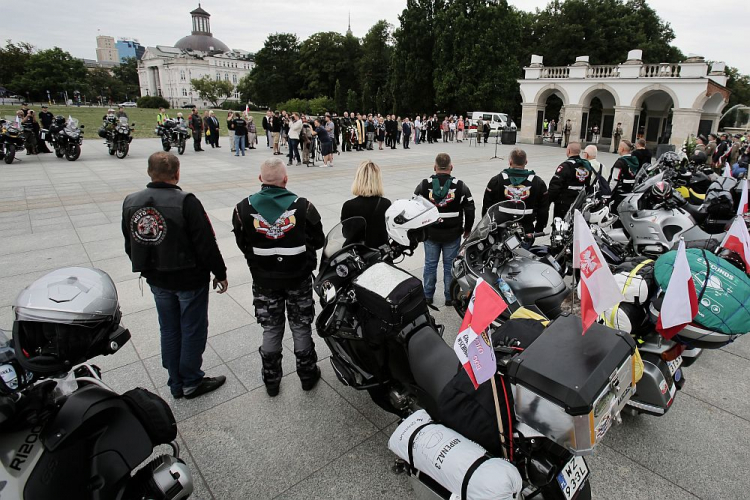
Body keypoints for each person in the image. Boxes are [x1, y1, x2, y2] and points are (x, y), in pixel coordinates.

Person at [122, 152, 228, 400]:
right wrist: (220, 272)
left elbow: (130, 243)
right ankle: (190, 381)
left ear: (149, 172)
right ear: (177, 173)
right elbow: (205, 243)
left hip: (158, 278)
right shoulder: (186, 201)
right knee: (192, 328)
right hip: (188, 278)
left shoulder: (131, 201)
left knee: (169, 328)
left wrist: (146, 268)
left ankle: (175, 381)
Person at [231, 158, 325, 396]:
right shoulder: (304, 206)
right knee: (301, 326)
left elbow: (243, 245)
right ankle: (307, 374)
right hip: (298, 278)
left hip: (264, 281)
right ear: (286, 179)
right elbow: (319, 240)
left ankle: (271, 381)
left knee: (271, 329)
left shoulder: (242, 209)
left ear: (260, 179)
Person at [414, 153, 475, 306]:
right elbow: (470, 209)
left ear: (435, 167)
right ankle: (450, 297)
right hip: (452, 234)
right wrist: (467, 229)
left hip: (430, 233)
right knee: (450, 266)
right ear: (451, 167)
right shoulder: (460, 185)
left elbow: (413, 206)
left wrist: (418, 229)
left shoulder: (424, 185)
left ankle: (428, 296)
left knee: (430, 264)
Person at [482, 148, 549, 240]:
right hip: (526, 230)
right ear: (526, 162)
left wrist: (486, 226)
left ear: (510, 162)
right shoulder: (538, 182)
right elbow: (544, 208)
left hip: (500, 230)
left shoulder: (496, 180)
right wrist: (539, 228)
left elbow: (487, 206)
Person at [341, 161, 392, 248]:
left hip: (358, 254)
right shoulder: (386, 203)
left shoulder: (349, 205)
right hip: (379, 252)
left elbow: (346, 233)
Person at [548, 142, 594, 219]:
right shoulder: (586, 165)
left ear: (568, 151)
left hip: (564, 204)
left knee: (560, 226)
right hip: (579, 203)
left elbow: (555, 186)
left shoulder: (565, 166)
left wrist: (548, 201)